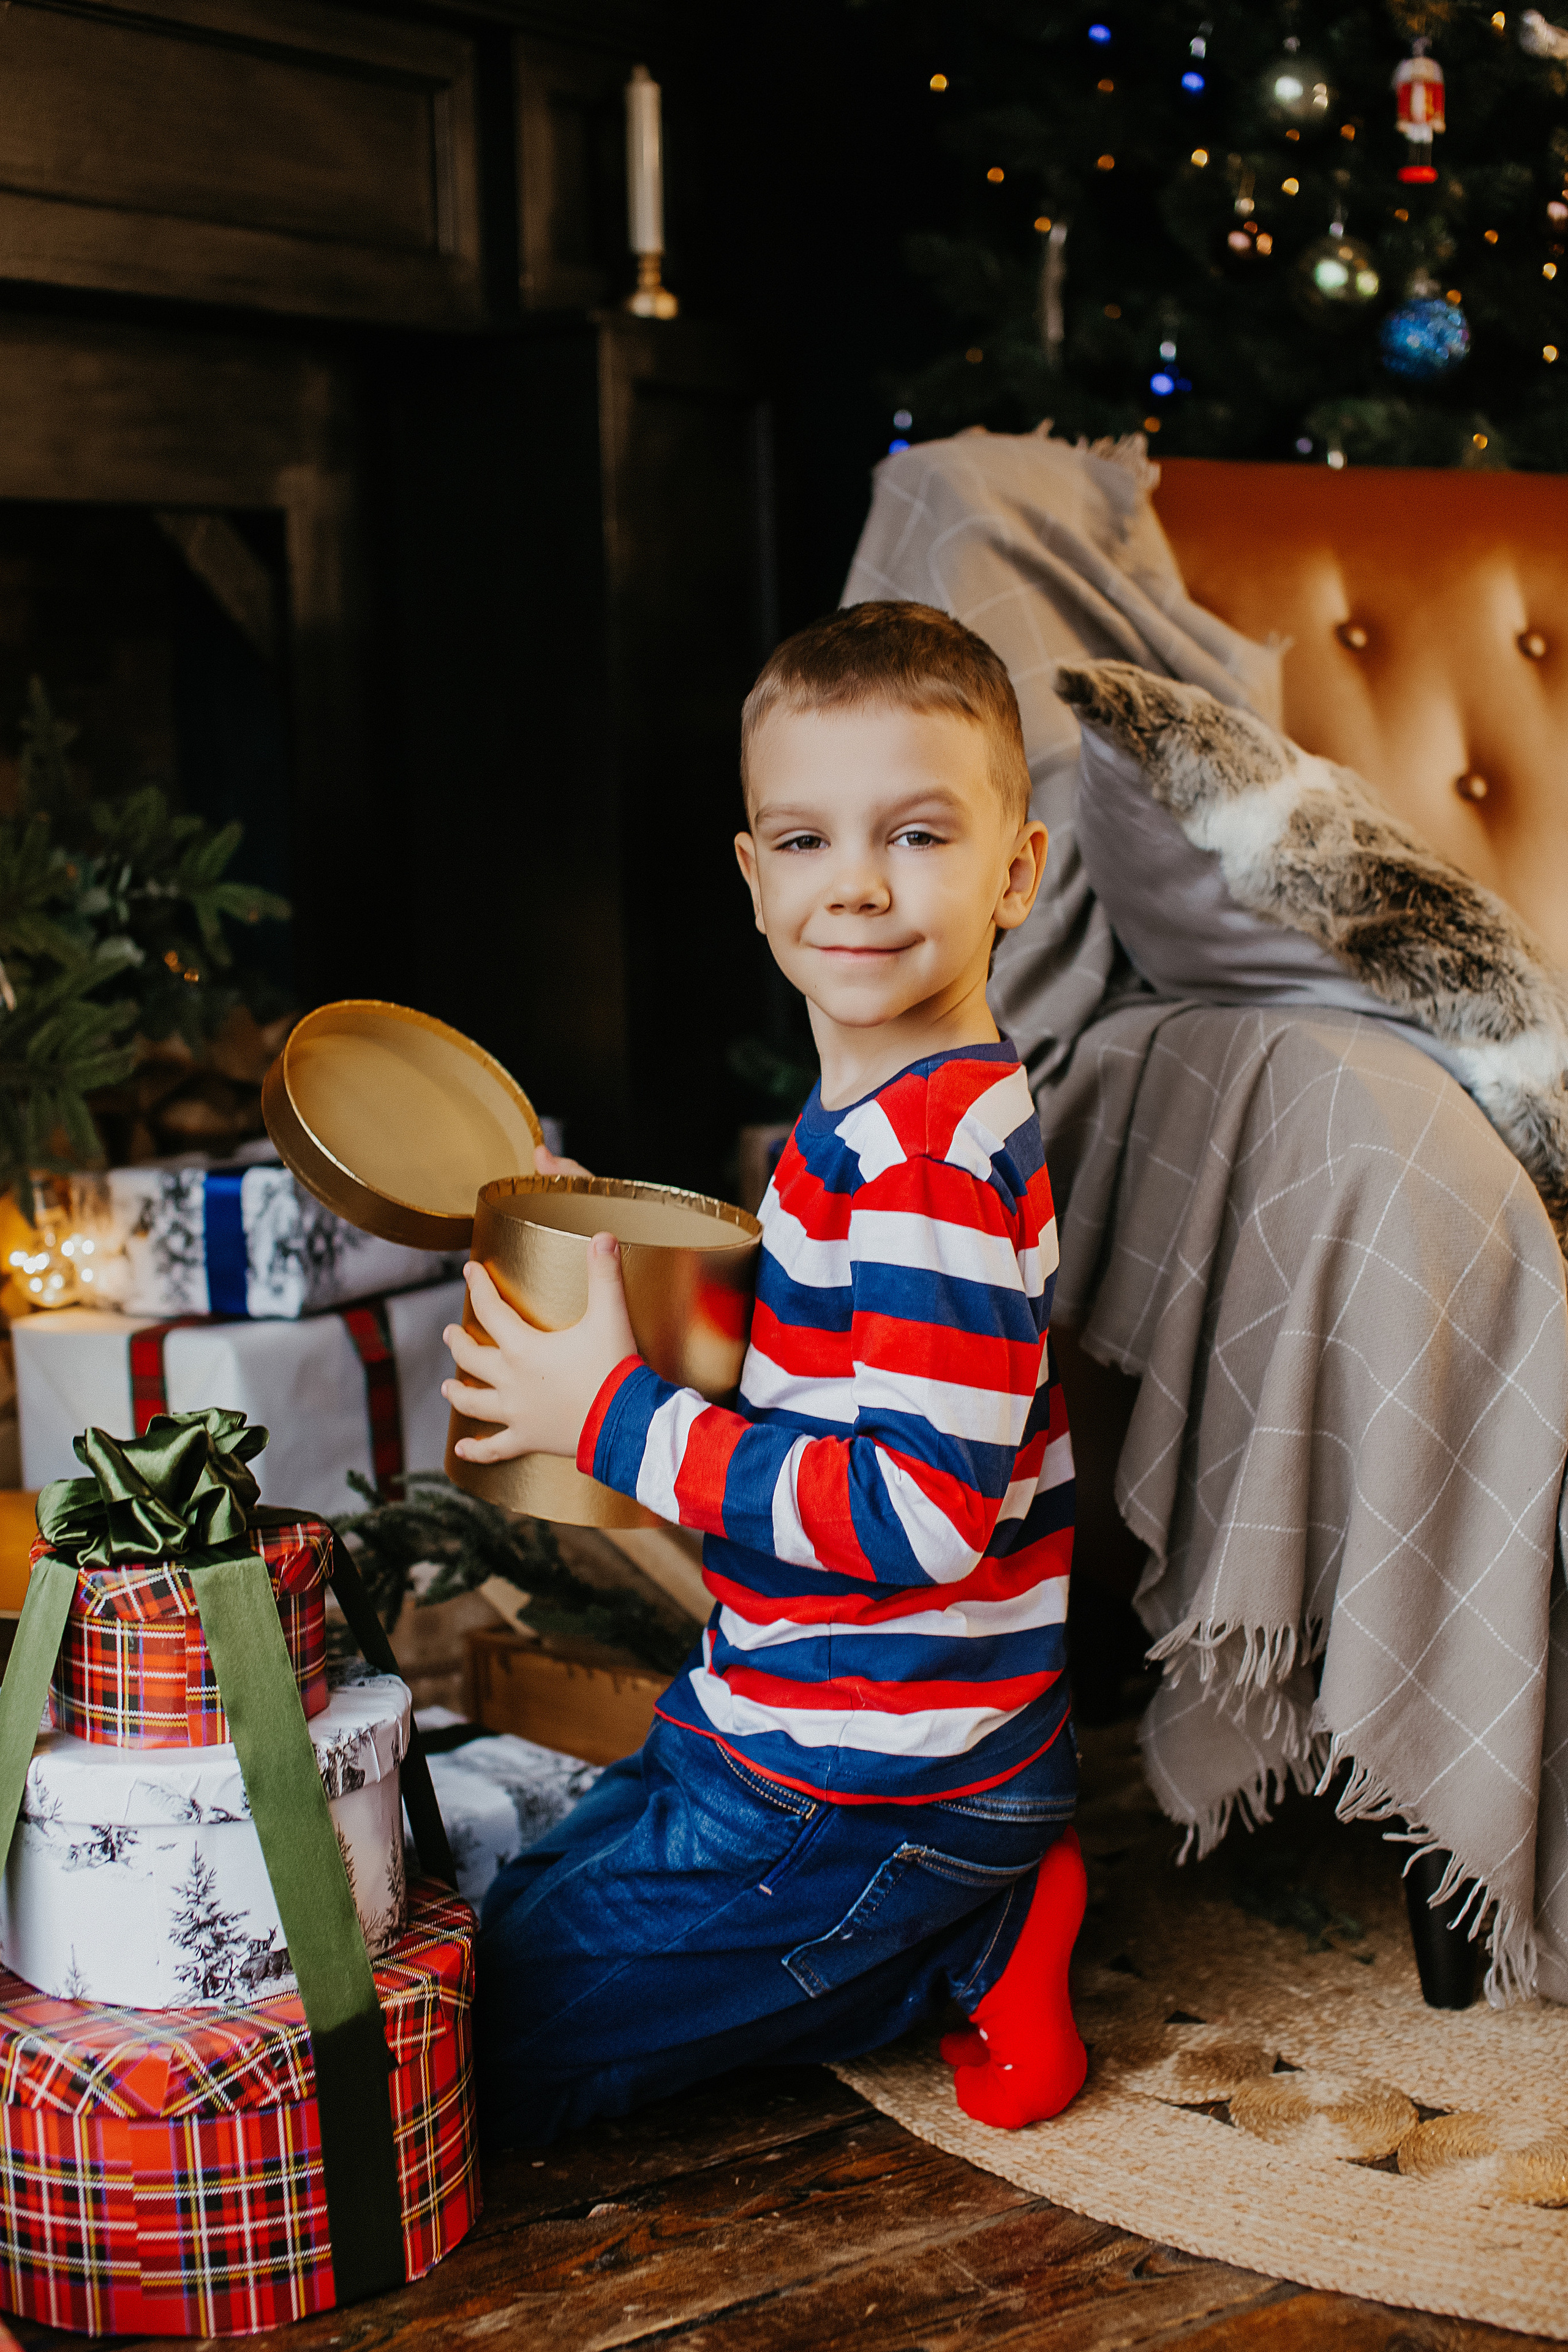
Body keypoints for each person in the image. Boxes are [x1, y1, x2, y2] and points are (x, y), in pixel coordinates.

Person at [443, 600, 1084, 2148]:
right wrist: (594, 1234)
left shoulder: (926, 1165)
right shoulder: (876, 1114)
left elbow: (924, 1512)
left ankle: (960, 1938)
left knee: (474, 2059)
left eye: (916, 836)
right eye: (802, 841)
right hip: (778, 1717)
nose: (854, 885)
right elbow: (809, 1344)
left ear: (1016, 871)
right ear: (750, 875)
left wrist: (608, 1416)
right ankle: (941, 1919)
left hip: (875, 1784)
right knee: (498, 1927)